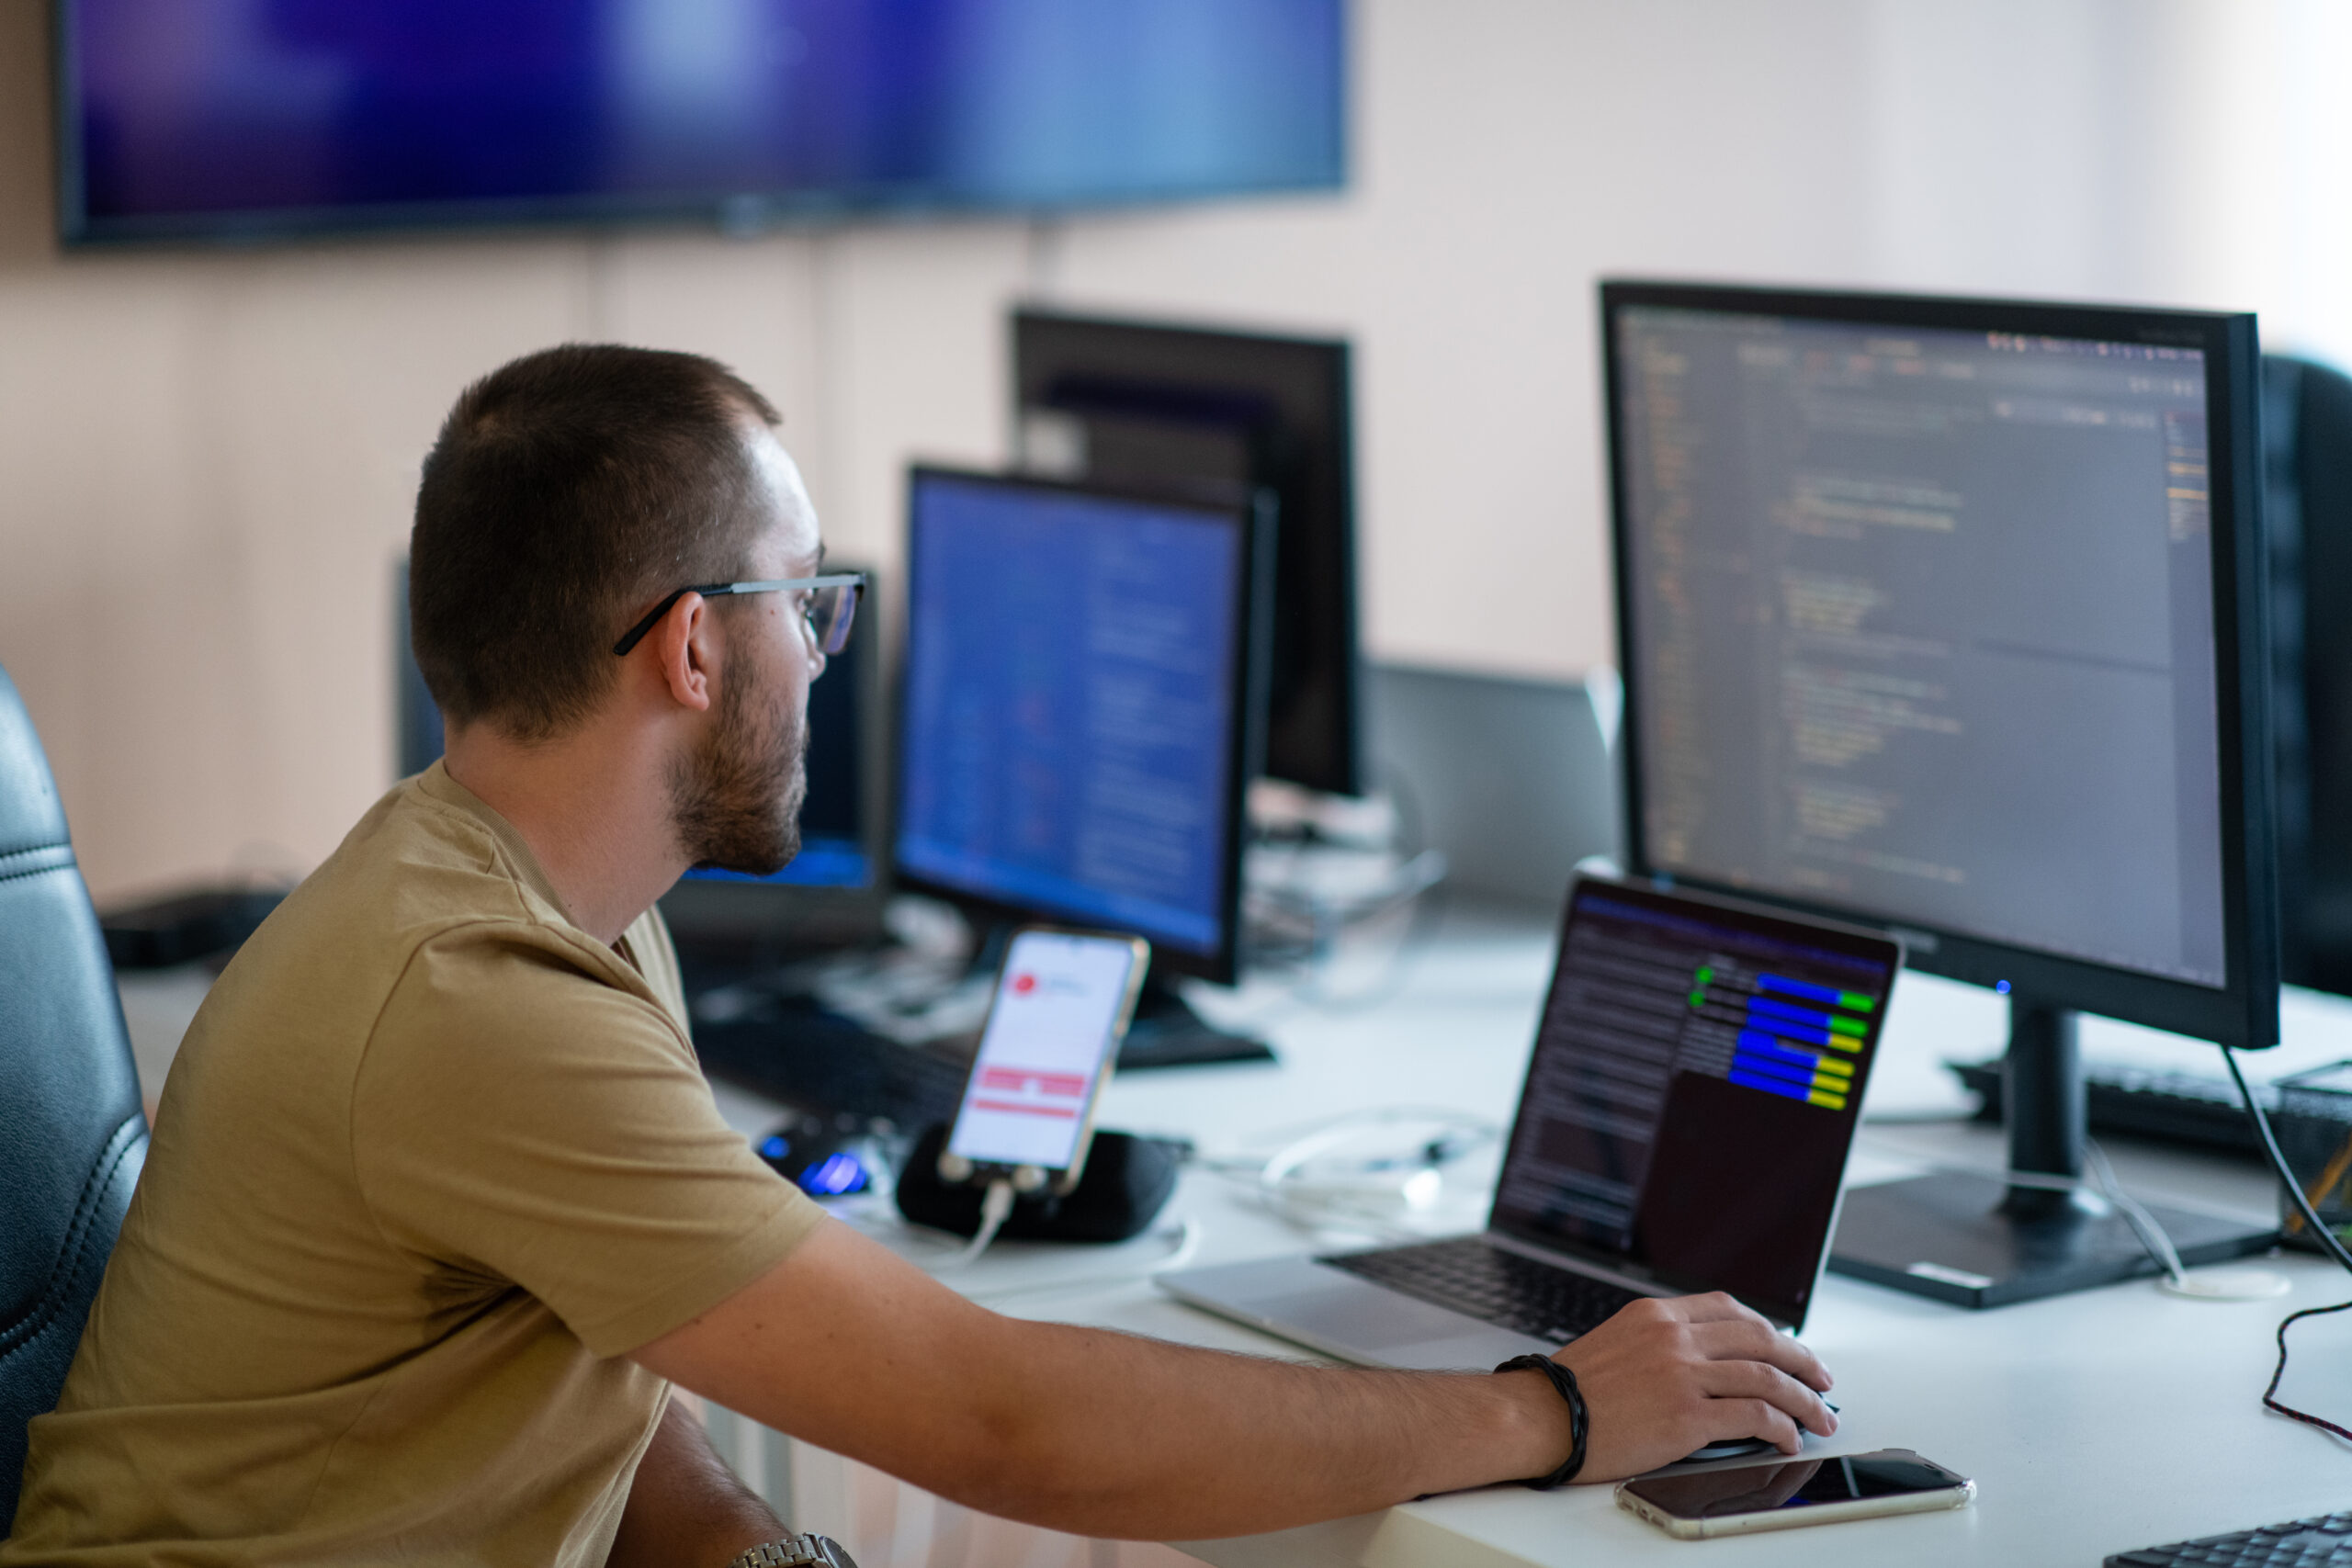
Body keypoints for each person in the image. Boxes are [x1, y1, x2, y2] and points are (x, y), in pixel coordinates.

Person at [2, 346, 1835, 1567]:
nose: (829, 647)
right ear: (690, 653)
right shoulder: (471, 998)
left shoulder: (549, 891)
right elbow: (997, 1414)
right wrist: (1556, 1404)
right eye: (806, 599)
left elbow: (588, 1376)